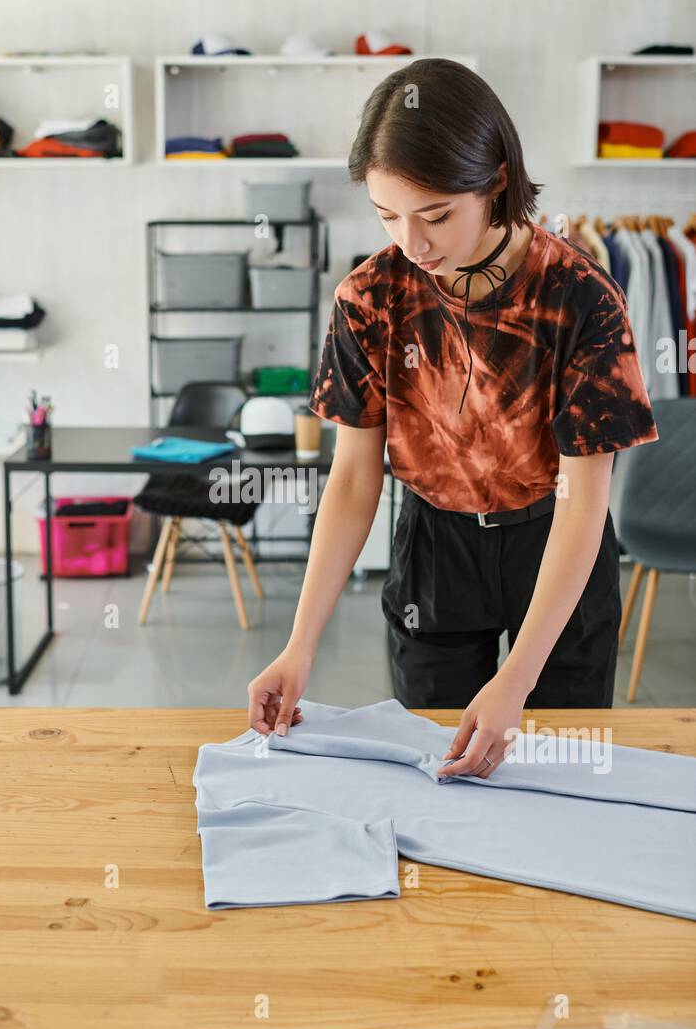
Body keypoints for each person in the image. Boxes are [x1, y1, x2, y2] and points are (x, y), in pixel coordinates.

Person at [246, 58, 658, 778]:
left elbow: (584, 499)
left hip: (556, 544)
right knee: (434, 776)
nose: (414, 242)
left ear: (496, 179)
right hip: (434, 548)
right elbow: (351, 479)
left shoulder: (582, 299)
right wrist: (300, 643)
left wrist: (517, 680)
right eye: (388, 215)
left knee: (558, 776)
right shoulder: (369, 298)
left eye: (435, 214)